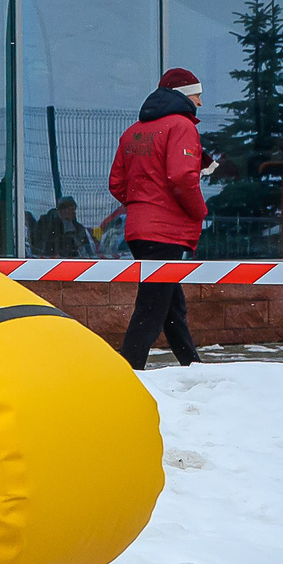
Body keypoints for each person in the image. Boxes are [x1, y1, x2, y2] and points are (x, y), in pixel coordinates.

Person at [109, 67, 208, 370]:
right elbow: (181, 177)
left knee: (170, 305)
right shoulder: (181, 127)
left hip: (139, 230)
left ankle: (192, 366)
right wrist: (199, 211)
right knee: (151, 308)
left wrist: (143, 204)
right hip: (165, 232)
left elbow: (117, 183)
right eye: (196, 95)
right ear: (183, 96)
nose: (200, 102)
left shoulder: (133, 131)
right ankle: (128, 371)